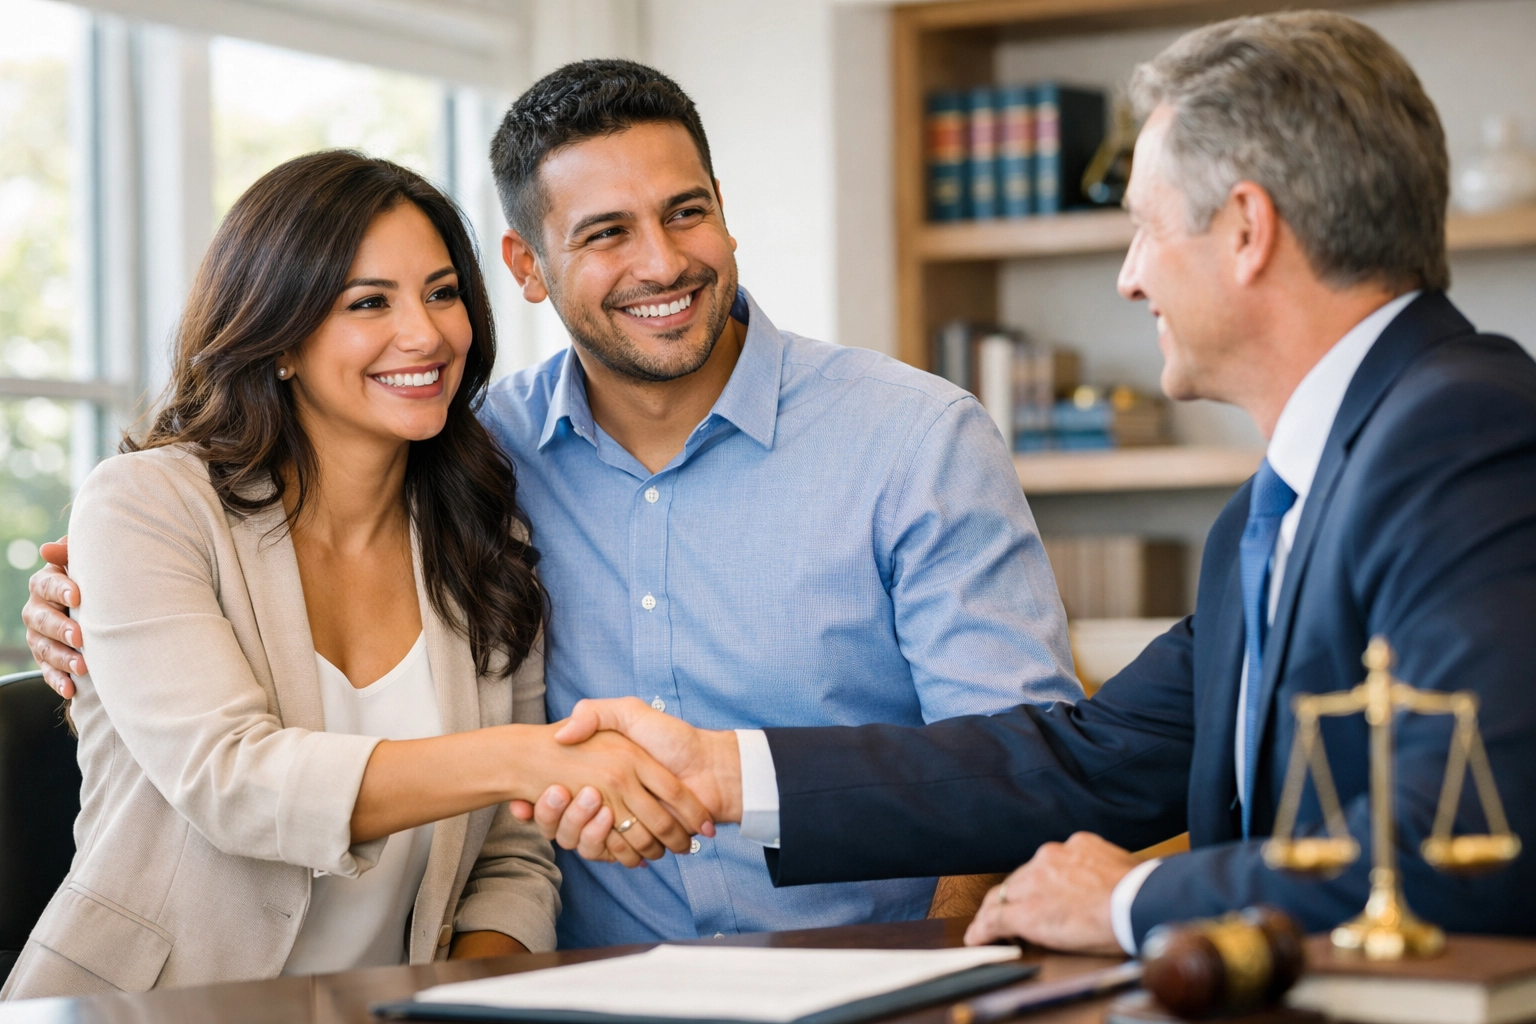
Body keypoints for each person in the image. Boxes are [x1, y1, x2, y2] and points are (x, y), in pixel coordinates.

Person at [522, 12, 1536, 955]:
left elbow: (1463, 841)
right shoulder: (1269, 516)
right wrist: (720, 772)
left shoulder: (1466, 432)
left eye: (1145, 226)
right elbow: (1083, 760)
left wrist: (1132, 902)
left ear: (1245, 229)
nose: (1130, 276)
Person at [25, 60, 1081, 949]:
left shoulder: (914, 439)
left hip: (862, 977)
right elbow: (237, 736)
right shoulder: (484, 461)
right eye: (607, 232)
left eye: (687, 213)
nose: (664, 262)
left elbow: (1017, 765)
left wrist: (933, 973)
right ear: (528, 267)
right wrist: (84, 605)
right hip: (577, 995)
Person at [2, 152, 710, 1000]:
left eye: (443, 293)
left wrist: (460, 998)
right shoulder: (149, 504)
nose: (426, 333)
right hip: (140, 1010)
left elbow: (510, 856)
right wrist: (528, 759)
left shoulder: (485, 532)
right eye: (368, 302)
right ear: (281, 333)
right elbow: (233, 781)